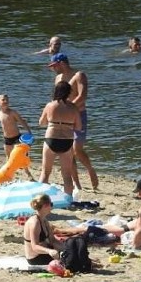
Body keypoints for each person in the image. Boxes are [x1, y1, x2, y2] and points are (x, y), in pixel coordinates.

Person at [49, 53, 98, 191]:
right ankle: (77, 184)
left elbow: (82, 96)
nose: (53, 69)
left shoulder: (79, 75)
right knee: (67, 151)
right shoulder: (58, 78)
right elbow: (57, 98)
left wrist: (69, 107)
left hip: (78, 114)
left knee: (77, 149)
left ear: (62, 63)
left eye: (54, 66)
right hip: (64, 117)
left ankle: (90, 170)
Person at [38, 81, 81, 197]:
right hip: (66, 141)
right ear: (68, 93)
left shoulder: (50, 105)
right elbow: (78, 127)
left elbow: (41, 123)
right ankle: (68, 200)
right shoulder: (73, 107)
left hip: (51, 139)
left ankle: (40, 200)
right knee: (67, 174)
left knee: (45, 172)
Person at [0, 94, 35, 180]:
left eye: (7, 100)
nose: (5, 101)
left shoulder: (12, 112)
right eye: (3, 100)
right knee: (8, 158)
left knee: (22, 156)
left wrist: (29, 132)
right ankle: (8, 175)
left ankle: (28, 174)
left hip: (17, 138)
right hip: (7, 139)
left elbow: (22, 122)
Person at [23, 194, 64, 265]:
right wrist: (49, 251)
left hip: (45, 252)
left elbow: (52, 240)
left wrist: (66, 248)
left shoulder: (44, 220)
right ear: (45, 206)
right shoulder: (34, 222)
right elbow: (34, 247)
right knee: (69, 260)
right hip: (35, 258)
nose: (52, 207)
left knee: (71, 253)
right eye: (51, 204)